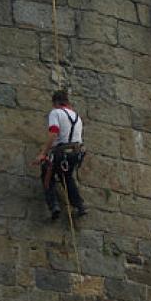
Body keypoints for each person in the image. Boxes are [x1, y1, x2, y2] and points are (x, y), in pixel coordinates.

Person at [32, 90, 86, 220]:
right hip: (76, 153)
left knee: (47, 175)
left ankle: (54, 206)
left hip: (62, 152)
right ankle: (79, 206)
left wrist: (43, 154)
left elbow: (54, 133)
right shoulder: (77, 117)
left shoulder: (55, 113)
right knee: (67, 177)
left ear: (55, 102)